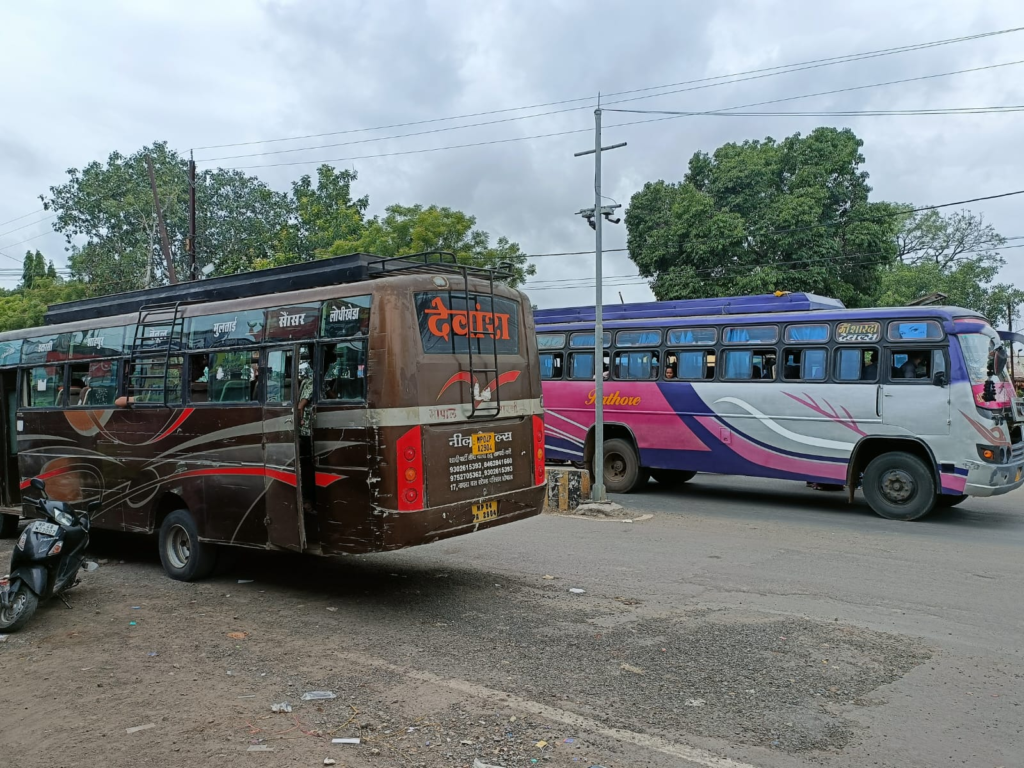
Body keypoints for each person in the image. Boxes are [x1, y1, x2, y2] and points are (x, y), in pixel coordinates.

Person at [296, 359, 315, 514]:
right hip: (307, 432)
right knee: (308, 469)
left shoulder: (313, 381)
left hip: (309, 432)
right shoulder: (312, 382)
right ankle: (306, 503)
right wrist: (301, 421)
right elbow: (300, 406)